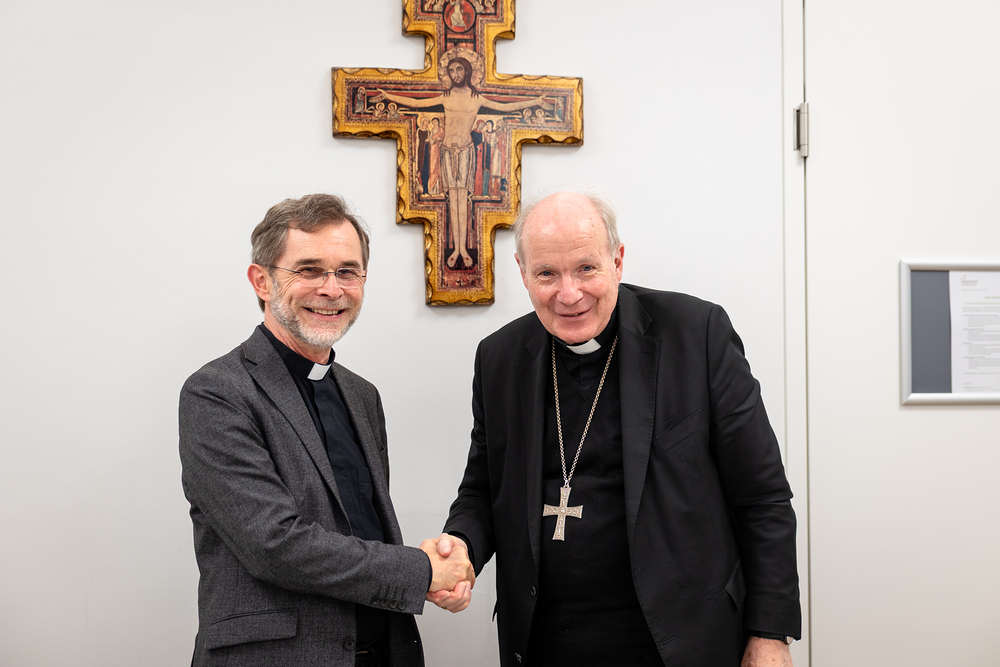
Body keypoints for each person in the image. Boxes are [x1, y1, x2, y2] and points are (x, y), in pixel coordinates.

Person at [430, 189, 801, 666]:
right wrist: (461, 545)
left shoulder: (695, 333)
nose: (569, 294)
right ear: (523, 273)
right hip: (547, 642)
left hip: (678, 641)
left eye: (586, 268)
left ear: (617, 261)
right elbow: (483, 490)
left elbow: (762, 495)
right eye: (547, 274)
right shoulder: (499, 357)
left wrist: (769, 632)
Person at [178, 194, 473, 667]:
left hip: (381, 653)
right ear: (262, 281)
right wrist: (421, 572)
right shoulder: (217, 392)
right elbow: (274, 545)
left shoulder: (361, 395)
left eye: (347, 272)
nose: (332, 289)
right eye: (309, 270)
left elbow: (365, 534)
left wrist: (435, 576)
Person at [374, 53, 548, 270]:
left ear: (467, 71)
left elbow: (504, 106)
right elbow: (417, 102)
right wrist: (389, 96)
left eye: (459, 69)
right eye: (451, 70)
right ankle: (456, 249)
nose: (455, 74)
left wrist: (534, 102)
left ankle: (462, 249)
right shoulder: (445, 96)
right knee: (452, 201)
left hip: (466, 152)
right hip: (447, 152)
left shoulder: (476, 98)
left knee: (462, 201)